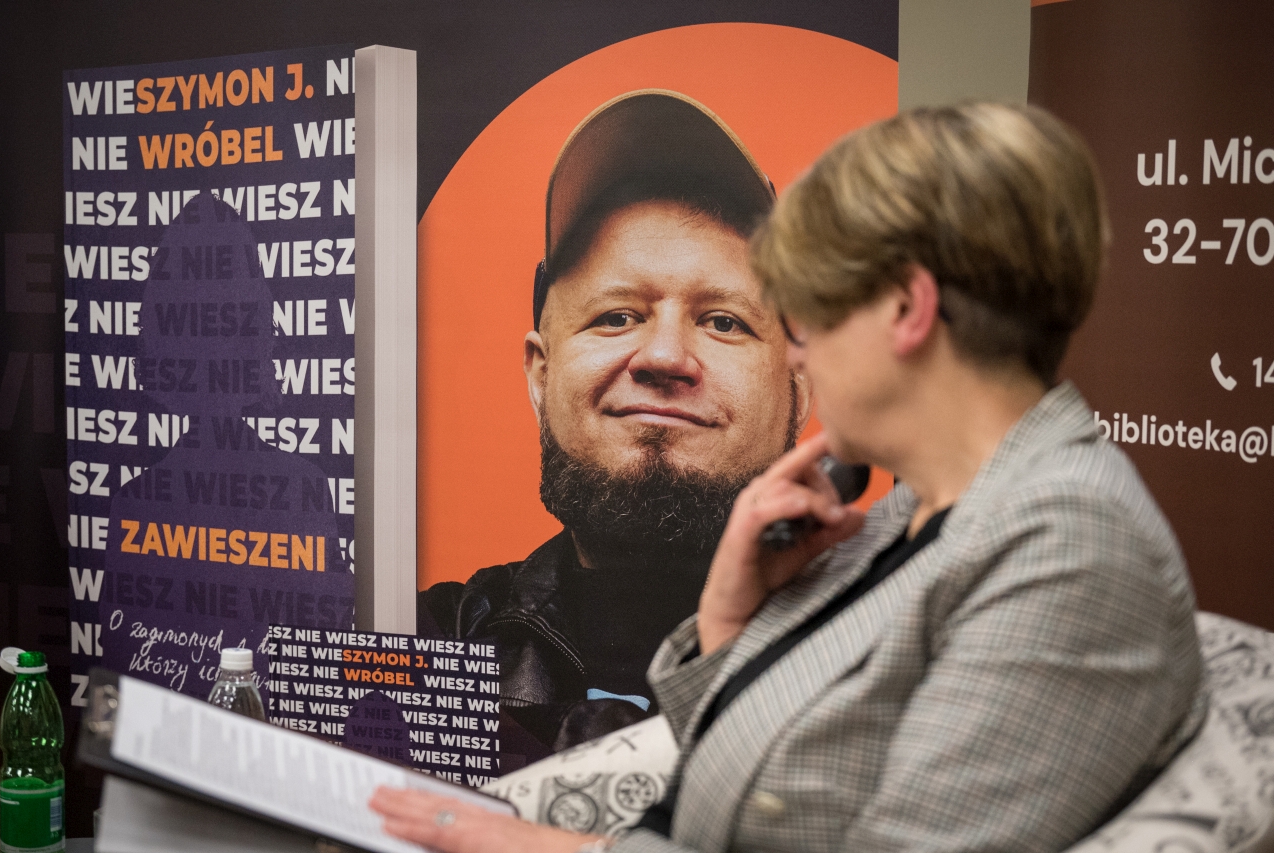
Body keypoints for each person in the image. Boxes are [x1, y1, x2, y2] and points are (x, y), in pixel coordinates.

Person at [376, 102, 1206, 852]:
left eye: (810, 307)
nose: (798, 351)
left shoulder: (1068, 546)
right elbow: (769, 788)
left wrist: (540, 848)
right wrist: (727, 631)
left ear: (907, 310)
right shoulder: (914, 520)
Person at [416, 90, 811, 758]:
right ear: (541, 376)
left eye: (723, 321)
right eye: (616, 316)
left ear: (799, 395)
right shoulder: (425, 645)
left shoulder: (889, 667)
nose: (664, 356)